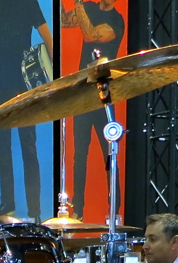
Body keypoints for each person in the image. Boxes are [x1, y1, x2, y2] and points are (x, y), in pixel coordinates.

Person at [0, 0, 52, 220]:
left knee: (29, 147)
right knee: (3, 148)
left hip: (25, 84)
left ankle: (34, 211)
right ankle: (7, 202)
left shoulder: (28, 2)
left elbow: (48, 38)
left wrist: (51, 78)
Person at [61, 0, 123, 220]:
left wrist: (78, 3)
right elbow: (63, 21)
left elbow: (90, 35)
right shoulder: (89, 7)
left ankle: (114, 211)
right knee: (80, 154)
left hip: (104, 96)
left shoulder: (116, 20)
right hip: (83, 94)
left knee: (110, 154)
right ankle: (77, 209)